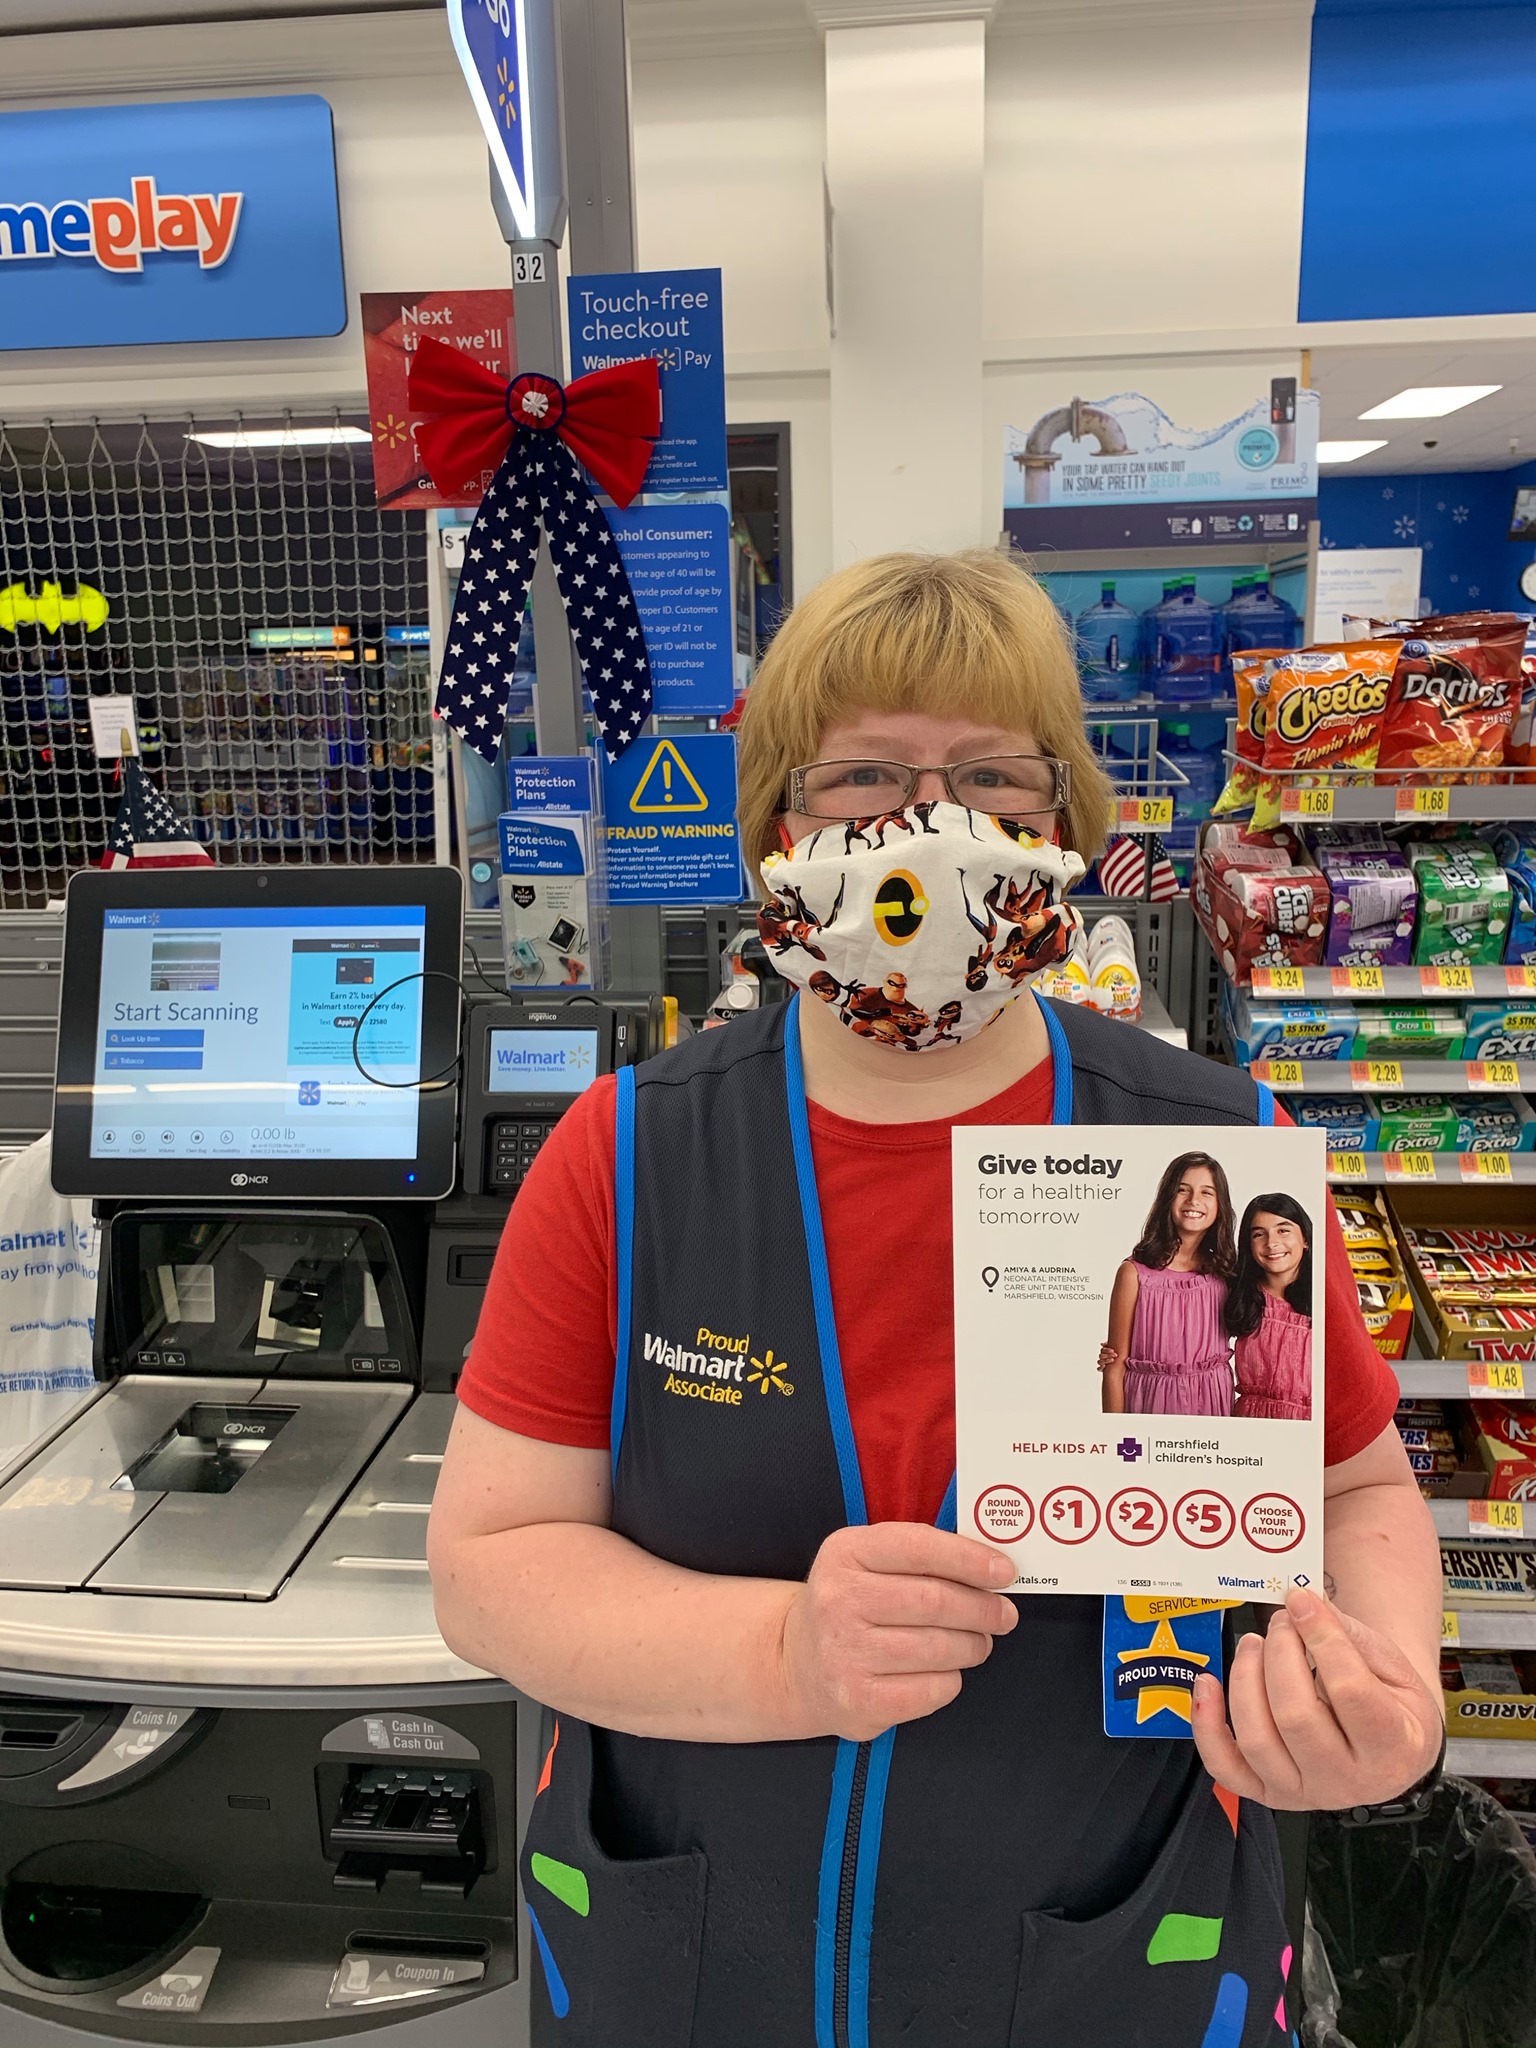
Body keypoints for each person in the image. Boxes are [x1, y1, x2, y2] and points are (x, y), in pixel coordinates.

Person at [429, 550, 1444, 2048]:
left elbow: (1357, 1488)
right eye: (862, 777)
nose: (929, 825)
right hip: (696, 1960)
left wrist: (1388, 1694)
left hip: (1110, 1953)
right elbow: (491, 1564)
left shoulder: (1213, 1148)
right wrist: (784, 1654)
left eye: (990, 775)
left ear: (1063, 822)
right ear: (779, 827)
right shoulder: (631, 1154)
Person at [1099, 1150, 1238, 1416]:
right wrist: (1114, 1432)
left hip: (1212, 1404)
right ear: (1167, 1198)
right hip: (1150, 1405)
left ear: (1220, 1204)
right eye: (1182, 1190)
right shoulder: (1133, 1274)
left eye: (1207, 1192)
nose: (1194, 1200)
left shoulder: (1226, 1273)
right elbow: (1114, 1368)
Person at [1227, 1193, 1314, 1422]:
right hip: (1250, 1425)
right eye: (1259, 1234)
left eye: (1283, 1230)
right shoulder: (1239, 1295)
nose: (1271, 1243)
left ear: (1305, 1239)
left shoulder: (1324, 1299)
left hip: (1308, 1429)